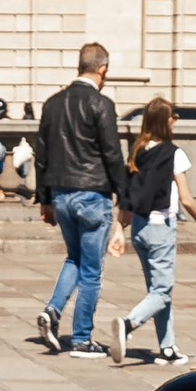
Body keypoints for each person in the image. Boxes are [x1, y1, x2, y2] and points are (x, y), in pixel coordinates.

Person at [33, 41, 129, 354]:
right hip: (92, 194)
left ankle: (52, 311)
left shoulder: (52, 103)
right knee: (91, 270)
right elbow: (112, 154)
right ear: (102, 69)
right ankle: (82, 338)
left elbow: (42, 156)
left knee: (73, 258)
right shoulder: (102, 104)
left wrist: (44, 199)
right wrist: (124, 198)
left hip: (60, 193)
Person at [111, 99, 196, 366]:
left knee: (157, 290)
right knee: (162, 291)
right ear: (165, 121)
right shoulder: (174, 153)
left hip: (140, 228)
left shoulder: (138, 151)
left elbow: (127, 196)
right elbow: (186, 198)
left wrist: (119, 228)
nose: (175, 120)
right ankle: (128, 325)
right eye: (173, 116)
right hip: (161, 228)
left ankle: (167, 348)